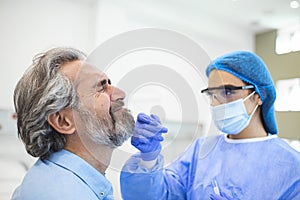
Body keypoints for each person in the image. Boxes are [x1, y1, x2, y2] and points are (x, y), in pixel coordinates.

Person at [120, 50, 300, 199]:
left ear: (259, 96)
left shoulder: (292, 167)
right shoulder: (201, 151)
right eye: (212, 94)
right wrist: (148, 159)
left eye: (227, 92)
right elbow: (161, 195)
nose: (216, 103)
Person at [12, 47, 135, 200]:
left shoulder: (65, 182)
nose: (120, 94)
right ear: (63, 121)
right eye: (101, 87)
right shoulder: (61, 194)